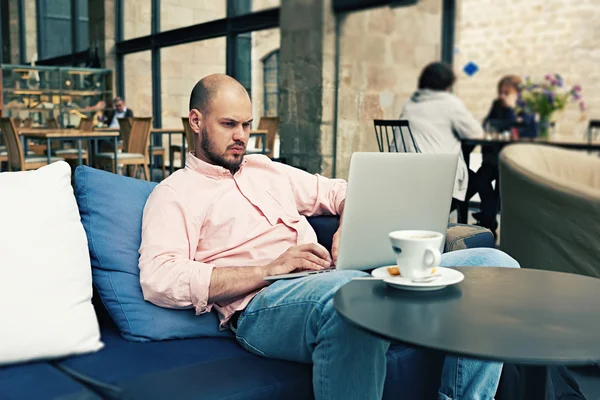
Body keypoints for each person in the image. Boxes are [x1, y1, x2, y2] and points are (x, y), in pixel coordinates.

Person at [139, 74, 520, 400]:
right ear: (195, 120)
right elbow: (160, 278)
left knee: (496, 267)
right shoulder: (174, 193)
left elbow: (340, 190)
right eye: (229, 125)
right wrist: (268, 269)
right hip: (262, 305)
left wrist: (346, 225)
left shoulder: (265, 169)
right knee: (355, 296)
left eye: (247, 124)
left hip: (337, 277)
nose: (241, 136)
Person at [397, 62, 484, 216]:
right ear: (447, 85)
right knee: (483, 180)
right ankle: (484, 229)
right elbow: (476, 133)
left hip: (406, 172)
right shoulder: (450, 103)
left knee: (478, 177)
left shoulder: (409, 104)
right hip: (439, 174)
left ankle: (433, 216)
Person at [474, 75, 537, 232]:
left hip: (514, 159)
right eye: (500, 92)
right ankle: (488, 219)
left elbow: (530, 130)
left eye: (506, 92)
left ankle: (487, 221)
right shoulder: (497, 105)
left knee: (501, 188)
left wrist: (510, 110)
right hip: (493, 158)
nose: (502, 96)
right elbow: (488, 124)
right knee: (481, 180)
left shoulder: (526, 108)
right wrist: (508, 117)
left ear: (517, 93)